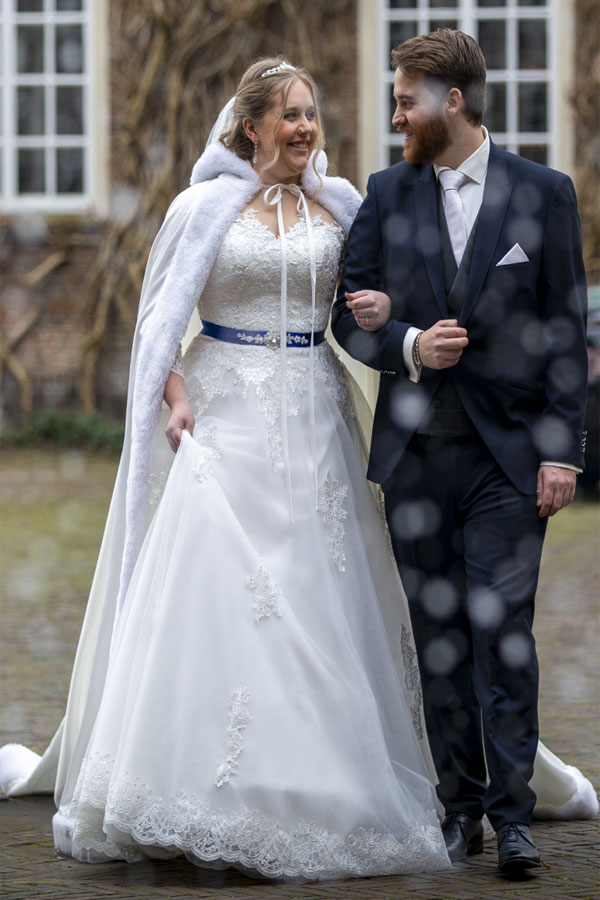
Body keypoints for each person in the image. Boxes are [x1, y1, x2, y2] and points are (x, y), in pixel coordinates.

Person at [0, 59, 451, 880]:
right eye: (290, 114)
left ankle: (316, 781)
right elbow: (158, 328)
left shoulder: (342, 207)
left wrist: (388, 313)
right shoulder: (202, 207)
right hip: (225, 416)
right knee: (230, 596)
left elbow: (371, 304)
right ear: (251, 126)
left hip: (316, 418)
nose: (305, 128)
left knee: (318, 592)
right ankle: (199, 787)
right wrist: (174, 398)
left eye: (311, 113)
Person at [331, 29, 592, 876]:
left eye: (405, 100)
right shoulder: (386, 194)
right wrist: (408, 344)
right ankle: (461, 811)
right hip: (416, 460)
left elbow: (565, 333)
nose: (396, 115)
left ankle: (515, 819)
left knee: (501, 632)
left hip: (509, 463)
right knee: (437, 636)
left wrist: (563, 452)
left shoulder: (543, 194)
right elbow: (347, 317)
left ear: (453, 102)